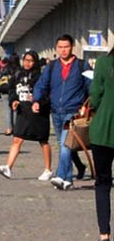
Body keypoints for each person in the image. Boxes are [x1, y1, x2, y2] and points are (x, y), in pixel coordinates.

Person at [33, 34, 91, 189]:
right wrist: (37, 100)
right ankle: (67, 180)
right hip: (56, 111)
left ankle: (59, 176)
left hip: (73, 112)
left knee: (65, 146)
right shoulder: (51, 67)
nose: (63, 50)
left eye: (66, 47)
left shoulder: (82, 65)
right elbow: (41, 85)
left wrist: (88, 106)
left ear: (72, 47)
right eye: (60, 47)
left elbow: (91, 86)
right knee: (63, 144)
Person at [0, 50, 52, 181]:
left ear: (35, 62)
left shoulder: (41, 77)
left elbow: (48, 94)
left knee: (43, 141)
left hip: (38, 113)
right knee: (17, 139)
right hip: (23, 111)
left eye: (31, 61)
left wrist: (39, 102)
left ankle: (48, 169)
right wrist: (13, 101)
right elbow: (12, 90)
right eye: (26, 60)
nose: (27, 63)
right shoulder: (18, 74)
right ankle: (8, 167)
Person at [88, 43, 114, 241]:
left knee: (103, 183)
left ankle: (104, 234)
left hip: (103, 131)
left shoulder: (104, 63)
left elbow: (95, 96)